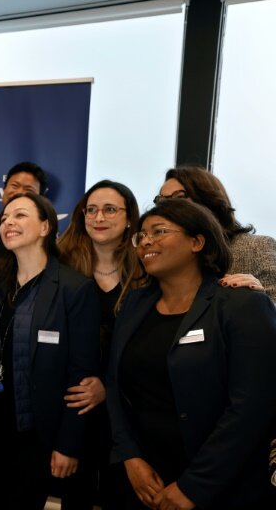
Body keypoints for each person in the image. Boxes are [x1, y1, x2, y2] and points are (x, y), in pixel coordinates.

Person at [107, 199, 276, 509]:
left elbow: (252, 406)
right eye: (141, 235)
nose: (146, 241)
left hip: (221, 485)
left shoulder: (242, 305)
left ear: (197, 242)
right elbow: (115, 386)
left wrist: (195, 485)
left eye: (159, 231)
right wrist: (129, 455)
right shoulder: (133, 305)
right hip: (144, 481)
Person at [0, 192, 99, 509]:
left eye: (20, 215)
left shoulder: (75, 289)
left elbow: (81, 376)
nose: (8, 222)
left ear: (46, 227)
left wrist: (69, 444)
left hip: (39, 434)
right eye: (5, 217)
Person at [57, 180, 142, 508]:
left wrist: (107, 386)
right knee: (74, 496)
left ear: (129, 217)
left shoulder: (147, 267)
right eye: (90, 210)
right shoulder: (61, 263)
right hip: (72, 402)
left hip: (129, 406)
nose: (98, 217)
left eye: (109, 210)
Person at [156, 165, 276, 300]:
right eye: (161, 201)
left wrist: (260, 297)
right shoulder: (162, 253)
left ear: (208, 200)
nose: (166, 207)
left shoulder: (257, 248)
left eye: (179, 197)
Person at [0, 161, 49, 267]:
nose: (19, 192)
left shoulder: (45, 234)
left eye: (29, 189)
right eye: (15, 186)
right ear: (4, 190)